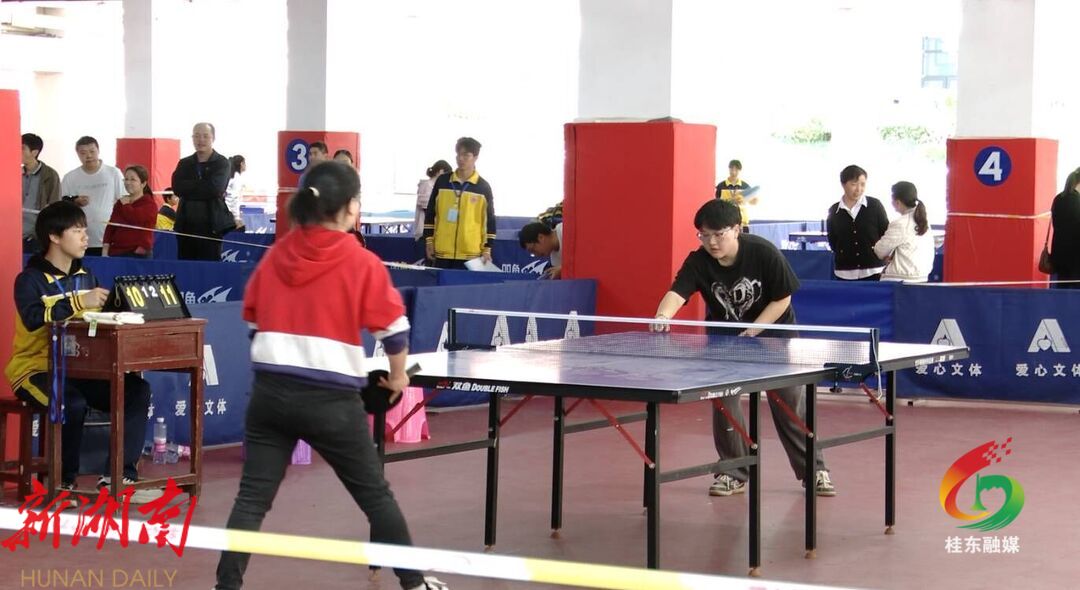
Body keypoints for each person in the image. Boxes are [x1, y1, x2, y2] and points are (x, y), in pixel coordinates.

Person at [214, 161, 447, 590]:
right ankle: (414, 583)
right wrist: (398, 378)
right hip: (331, 404)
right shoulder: (361, 261)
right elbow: (394, 331)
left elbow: (253, 323)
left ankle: (225, 586)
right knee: (375, 496)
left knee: (251, 499)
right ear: (350, 208)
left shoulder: (275, 255)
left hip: (269, 396)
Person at [651, 199, 834, 497]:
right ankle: (733, 472)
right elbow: (678, 291)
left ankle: (815, 470)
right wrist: (662, 316)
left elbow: (782, 299)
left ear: (736, 229)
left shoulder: (763, 252)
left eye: (718, 234)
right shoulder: (699, 261)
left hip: (775, 338)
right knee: (725, 404)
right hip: (726, 344)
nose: (711, 242)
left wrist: (754, 329)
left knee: (789, 405)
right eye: (704, 235)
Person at [4, 201, 157, 502]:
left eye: (86, 230)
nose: (86, 237)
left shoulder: (87, 276)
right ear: (54, 236)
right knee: (71, 402)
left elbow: (98, 322)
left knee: (136, 390)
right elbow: (34, 318)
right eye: (77, 231)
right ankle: (63, 484)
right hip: (35, 370)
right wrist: (78, 302)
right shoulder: (30, 280)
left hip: (80, 369)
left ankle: (119, 478)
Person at [423, 138, 496, 268]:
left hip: (471, 255)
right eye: (458, 154)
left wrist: (487, 249)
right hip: (442, 253)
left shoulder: (483, 187)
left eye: (466, 155)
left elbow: (489, 221)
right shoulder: (442, 181)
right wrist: (429, 241)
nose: (460, 159)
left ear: (475, 157)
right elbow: (430, 213)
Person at [171, 122, 232, 261]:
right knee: (185, 268)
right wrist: (203, 185)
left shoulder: (222, 163)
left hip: (211, 227)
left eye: (205, 136)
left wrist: (190, 187)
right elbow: (177, 188)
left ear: (213, 138)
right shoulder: (184, 163)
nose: (201, 140)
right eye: (197, 136)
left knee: (209, 269)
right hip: (185, 227)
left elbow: (215, 189)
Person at [60, 136, 125, 256]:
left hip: (108, 238)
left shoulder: (113, 173)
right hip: (78, 239)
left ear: (98, 151)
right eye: (83, 153)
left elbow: (124, 201)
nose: (88, 156)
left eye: (92, 151)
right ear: (77, 154)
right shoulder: (70, 177)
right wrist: (75, 201)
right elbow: (63, 205)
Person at [826, 165, 889, 281]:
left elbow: (885, 233)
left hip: (874, 270)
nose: (859, 189)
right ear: (843, 184)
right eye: (854, 184)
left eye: (863, 184)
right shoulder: (834, 210)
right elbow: (833, 241)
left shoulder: (875, 205)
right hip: (844, 272)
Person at [872, 181, 935, 282]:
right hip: (921, 279)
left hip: (899, 281)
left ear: (897, 202)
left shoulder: (900, 223)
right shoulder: (924, 221)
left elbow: (880, 251)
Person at [102, 165, 158, 258]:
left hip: (137, 254)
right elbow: (111, 226)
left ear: (143, 184)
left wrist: (126, 205)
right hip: (116, 252)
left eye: (133, 179)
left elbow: (135, 219)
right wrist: (105, 248)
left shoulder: (149, 204)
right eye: (126, 179)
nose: (128, 182)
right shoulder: (120, 202)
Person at [21, 133, 62, 253]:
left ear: (34, 152)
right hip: (14, 233)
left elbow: (55, 205)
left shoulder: (50, 175)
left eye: (22, 148)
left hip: (37, 235)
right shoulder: (13, 173)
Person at [1049, 166, 1080, 288]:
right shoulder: (1077, 202)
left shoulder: (1058, 199)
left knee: (1063, 291)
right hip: (1076, 258)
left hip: (1059, 256)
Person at [414, 160, 451, 240]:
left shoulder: (437, 187)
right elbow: (427, 208)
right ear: (441, 171)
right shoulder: (426, 185)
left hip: (435, 232)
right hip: (424, 232)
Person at [715, 159, 755, 232]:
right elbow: (717, 204)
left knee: (744, 239)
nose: (734, 172)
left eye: (736, 169)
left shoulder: (745, 186)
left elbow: (752, 202)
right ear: (729, 169)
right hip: (726, 222)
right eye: (732, 169)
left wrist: (754, 199)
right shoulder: (721, 186)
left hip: (743, 223)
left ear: (740, 170)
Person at [225, 155, 247, 231]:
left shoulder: (231, 176)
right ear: (241, 163)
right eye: (245, 163)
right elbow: (233, 199)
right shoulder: (236, 178)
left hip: (226, 212)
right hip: (230, 214)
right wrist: (236, 217)